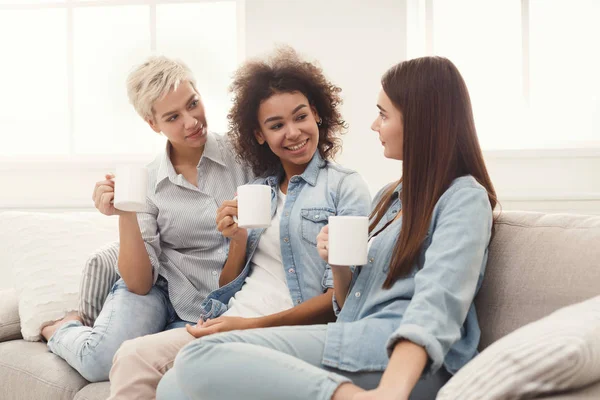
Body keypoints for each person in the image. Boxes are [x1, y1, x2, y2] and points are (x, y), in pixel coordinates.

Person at [157, 56, 498, 400]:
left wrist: (392, 390)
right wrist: (337, 263)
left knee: (199, 357)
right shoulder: (390, 198)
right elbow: (350, 300)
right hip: (354, 336)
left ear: (422, 121)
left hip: (405, 359)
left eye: (383, 114)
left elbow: (438, 303)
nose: (373, 126)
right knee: (173, 385)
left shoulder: (463, 197)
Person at [107, 47, 371, 400]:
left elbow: (340, 299)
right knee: (132, 356)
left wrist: (247, 326)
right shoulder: (258, 188)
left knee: (175, 382)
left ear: (318, 115)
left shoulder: (343, 186)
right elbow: (229, 282)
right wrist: (237, 240)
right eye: (276, 125)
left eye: (300, 117)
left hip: (271, 329)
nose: (292, 133)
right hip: (231, 317)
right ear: (260, 135)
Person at [40, 56, 252, 382]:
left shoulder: (244, 156)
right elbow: (139, 283)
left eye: (193, 104)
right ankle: (62, 328)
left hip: (213, 301)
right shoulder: (150, 182)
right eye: (173, 117)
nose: (191, 121)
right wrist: (126, 212)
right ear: (153, 124)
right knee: (100, 363)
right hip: (158, 291)